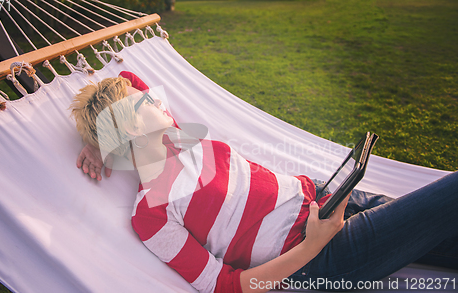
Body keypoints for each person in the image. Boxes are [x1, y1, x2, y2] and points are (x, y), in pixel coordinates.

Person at [70, 72, 458, 293]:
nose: (156, 99)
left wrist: (96, 142)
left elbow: (126, 78)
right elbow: (226, 287)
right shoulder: (151, 215)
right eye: (145, 102)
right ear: (132, 127)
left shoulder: (176, 134)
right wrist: (314, 245)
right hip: (318, 257)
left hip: (326, 195)